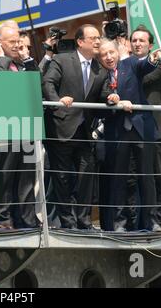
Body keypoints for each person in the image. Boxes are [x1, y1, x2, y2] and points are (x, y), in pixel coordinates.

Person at [42, 24, 109, 230]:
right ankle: (68, 221)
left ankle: (84, 220)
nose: (98, 41)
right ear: (80, 42)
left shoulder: (101, 70)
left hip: (85, 133)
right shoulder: (62, 59)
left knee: (86, 177)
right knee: (62, 179)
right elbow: (47, 83)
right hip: (61, 128)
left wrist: (113, 98)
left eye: (99, 37)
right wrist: (57, 101)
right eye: (93, 38)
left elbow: (103, 95)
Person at [0, 23, 40, 229]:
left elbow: (37, 83)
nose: (17, 45)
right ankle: (4, 219)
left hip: (26, 126)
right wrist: (1, 57)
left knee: (26, 177)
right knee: (4, 175)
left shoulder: (22, 64)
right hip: (2, 127)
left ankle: (26, 219)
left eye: (19, 41)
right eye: (12, 42)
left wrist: (27, 60)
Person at [98, 38, 161, 232]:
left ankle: (151, 221)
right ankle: (119, 223)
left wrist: (152, 60)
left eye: (111, 52)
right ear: (99, 58)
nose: (108, 57)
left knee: (147, 177)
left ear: (118, 52)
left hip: (141, 128)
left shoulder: (130, 64)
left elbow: (145, 65)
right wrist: (112, 99)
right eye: (103, 55)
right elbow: (98, 94)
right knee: (118, 178)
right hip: (116, 130)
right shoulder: (99, 74)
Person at [127, 25, 161, 231]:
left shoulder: (158, 65)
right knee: (133, 177)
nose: (137, 44)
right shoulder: (124, 65)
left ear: (150, 45)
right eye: (134, 40)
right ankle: (139, 221)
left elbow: (138, 83)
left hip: (155, 129)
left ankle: (160, 221)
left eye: (141, 41)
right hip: (130, 129)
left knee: (158, 176)